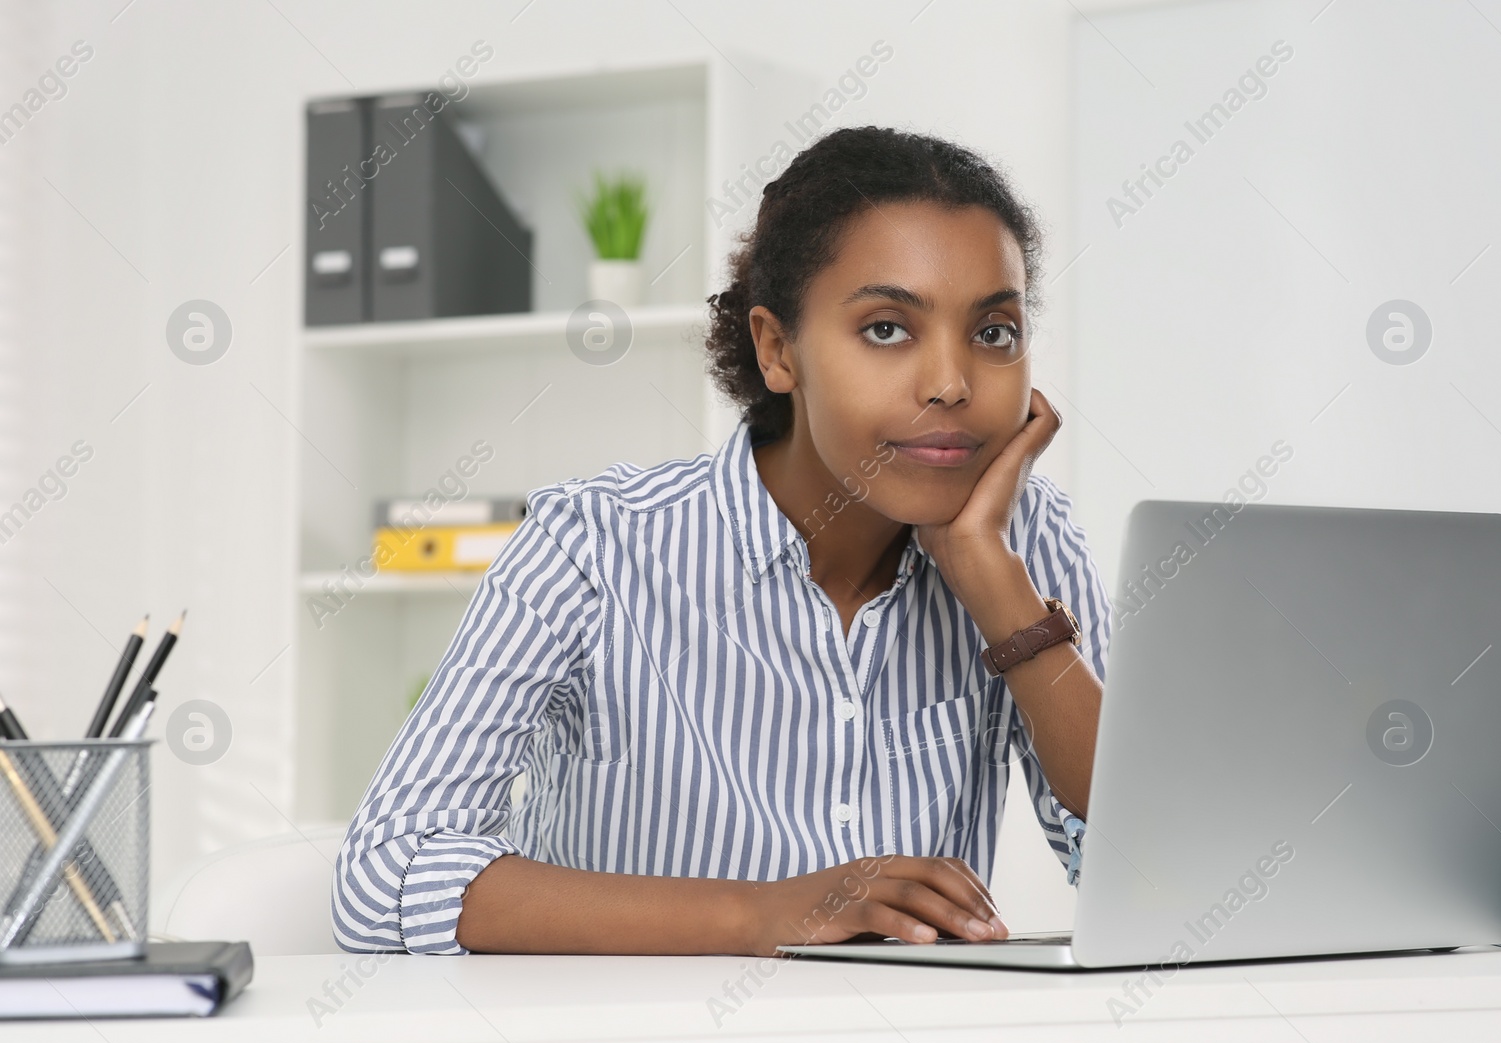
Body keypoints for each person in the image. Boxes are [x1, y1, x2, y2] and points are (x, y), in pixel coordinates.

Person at [333, 126, 1110, 956]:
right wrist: (762, 916)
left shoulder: (1022, 539)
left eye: (994, 333)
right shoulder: (593, 544)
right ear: (778, 348)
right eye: (887, 329)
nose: (952, 383)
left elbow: (1151, 867)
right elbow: (386, 874)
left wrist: (996, 590)